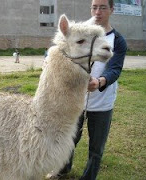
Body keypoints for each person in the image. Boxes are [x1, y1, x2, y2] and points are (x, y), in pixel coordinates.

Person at [47, 0, 127, 179]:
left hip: (102, 102)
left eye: (103, 7)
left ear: (112, 10)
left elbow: (114, 68)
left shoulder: (118, 40)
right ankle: (62, 169)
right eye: (94, 7)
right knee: (70, 138)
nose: (98, 11)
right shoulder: (82, 32)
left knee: (96, 147)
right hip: (77, 101)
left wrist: (99, 82)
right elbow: (64, 51)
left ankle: (88, 177)